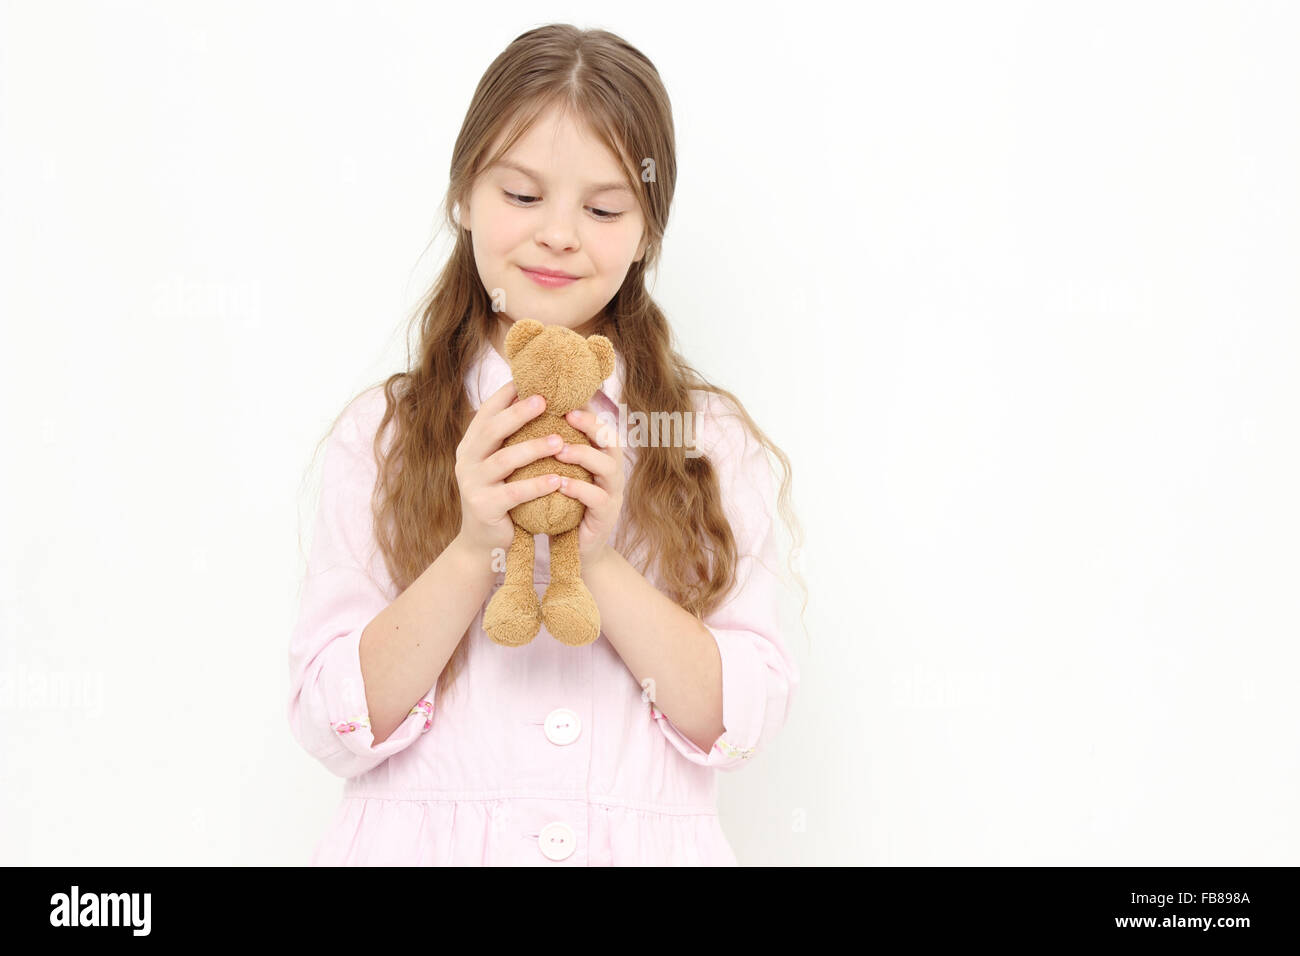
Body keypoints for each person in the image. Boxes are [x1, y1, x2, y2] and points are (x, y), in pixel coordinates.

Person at [287, 23, 806, 865]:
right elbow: (332, 721)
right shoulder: (383, 438)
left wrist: (600, 563)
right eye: (522, 196)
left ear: (646, 230)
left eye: (603, 208)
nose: (559, 234)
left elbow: (737, 722)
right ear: (463, 196)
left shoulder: (704, 442)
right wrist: (468, 552)